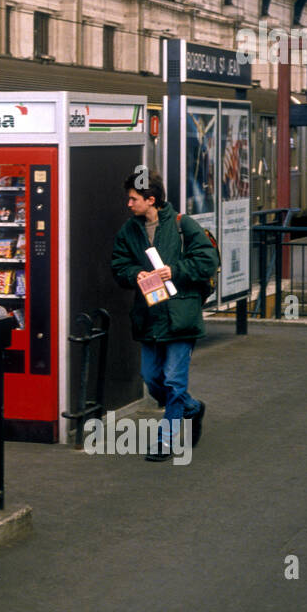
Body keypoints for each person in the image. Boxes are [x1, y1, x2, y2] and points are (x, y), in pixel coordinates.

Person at [110, 171, 218, 461]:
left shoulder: (184, 225)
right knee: (151, 378)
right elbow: (119, 265)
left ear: (151, 199)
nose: (129, 204)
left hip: (181, 315)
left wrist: (176, 271)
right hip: (149, 315)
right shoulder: (129, 231)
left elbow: (208, 260)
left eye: (133, 199)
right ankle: (192, 409)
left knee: (172, 381)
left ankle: (164, 442)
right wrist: (136, 274)